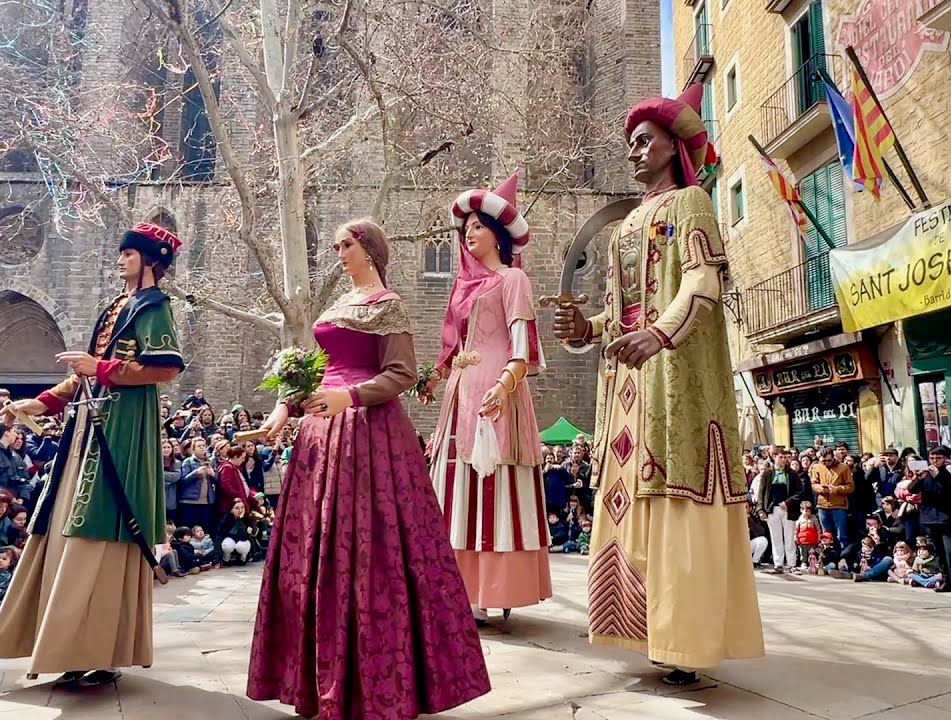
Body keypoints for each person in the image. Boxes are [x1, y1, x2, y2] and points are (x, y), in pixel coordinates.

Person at [553, 84, 763, 684]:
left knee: (676, 497)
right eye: (630, 144)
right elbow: (621, 312)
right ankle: (646, 630)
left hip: (676, 383)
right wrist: (585, 328)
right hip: (626, 392)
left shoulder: (692, 202)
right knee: (630, 500)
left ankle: (685, 640)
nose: (634, 151)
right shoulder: (624, 226)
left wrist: (661, 335)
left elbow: (703, 282)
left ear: (675, 146)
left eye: (645, 140)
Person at [247, 219, 489, 719]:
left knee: (372, 551)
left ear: (370, 249)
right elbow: (316, 369)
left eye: (347, 245)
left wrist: (349, 397)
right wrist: (282, 411)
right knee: (316, 549)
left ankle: (382, 682)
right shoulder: (338, 305)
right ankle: (315, 680)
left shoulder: (388, 305)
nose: (339, 252)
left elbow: (400, 373)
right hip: (320, 438)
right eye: (337, 245)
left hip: (369, 437)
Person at [0, 221, 185, 687]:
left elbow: (165, 367)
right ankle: (67, 646)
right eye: (121, 253)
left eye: (129, 254)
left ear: (151, 260)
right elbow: (83, 376)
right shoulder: (114, 306)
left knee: (102, 524)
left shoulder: (154, 306)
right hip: (87, 426)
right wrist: (42, 402)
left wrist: (102, 368)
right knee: (62, 521)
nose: (120, 260)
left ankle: (100, 651)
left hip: (124, 428)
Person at [422, 173, 551, 624]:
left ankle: (495, 588)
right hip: (459, 394)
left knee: (493, 480)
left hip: (496, 393)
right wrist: (432, 378)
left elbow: (523, 345)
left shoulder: (513, 279)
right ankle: (457, 588)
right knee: (456, 484)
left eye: (478, 226)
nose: (469, 233)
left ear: (497, 234)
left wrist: (504, 384)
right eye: (466, 228)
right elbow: (451, 346)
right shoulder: (461, 286)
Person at [910, 446, 951, 598]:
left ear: (945, 459)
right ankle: (946, 580)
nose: (934, 461)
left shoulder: (948, 473)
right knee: (940, 552)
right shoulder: (925, 474)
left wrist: (937, 476)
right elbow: (912, 489)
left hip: (947, 519)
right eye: (932, 458)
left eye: (938, 458)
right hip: (930, 519)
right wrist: (918, 477)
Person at [757, 449, 807, 573]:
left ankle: (792, 564)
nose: (784, 459)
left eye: (785, 457)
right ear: (774, 457)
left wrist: (788, 502)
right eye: (781, 457)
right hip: (772, 509)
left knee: (789, 538)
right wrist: (760, 509)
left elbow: (800, 492)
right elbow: (761, 493)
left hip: (788, 510)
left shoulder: (792, 474)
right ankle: (778, 564)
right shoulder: (768, 474)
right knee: (776, 538)